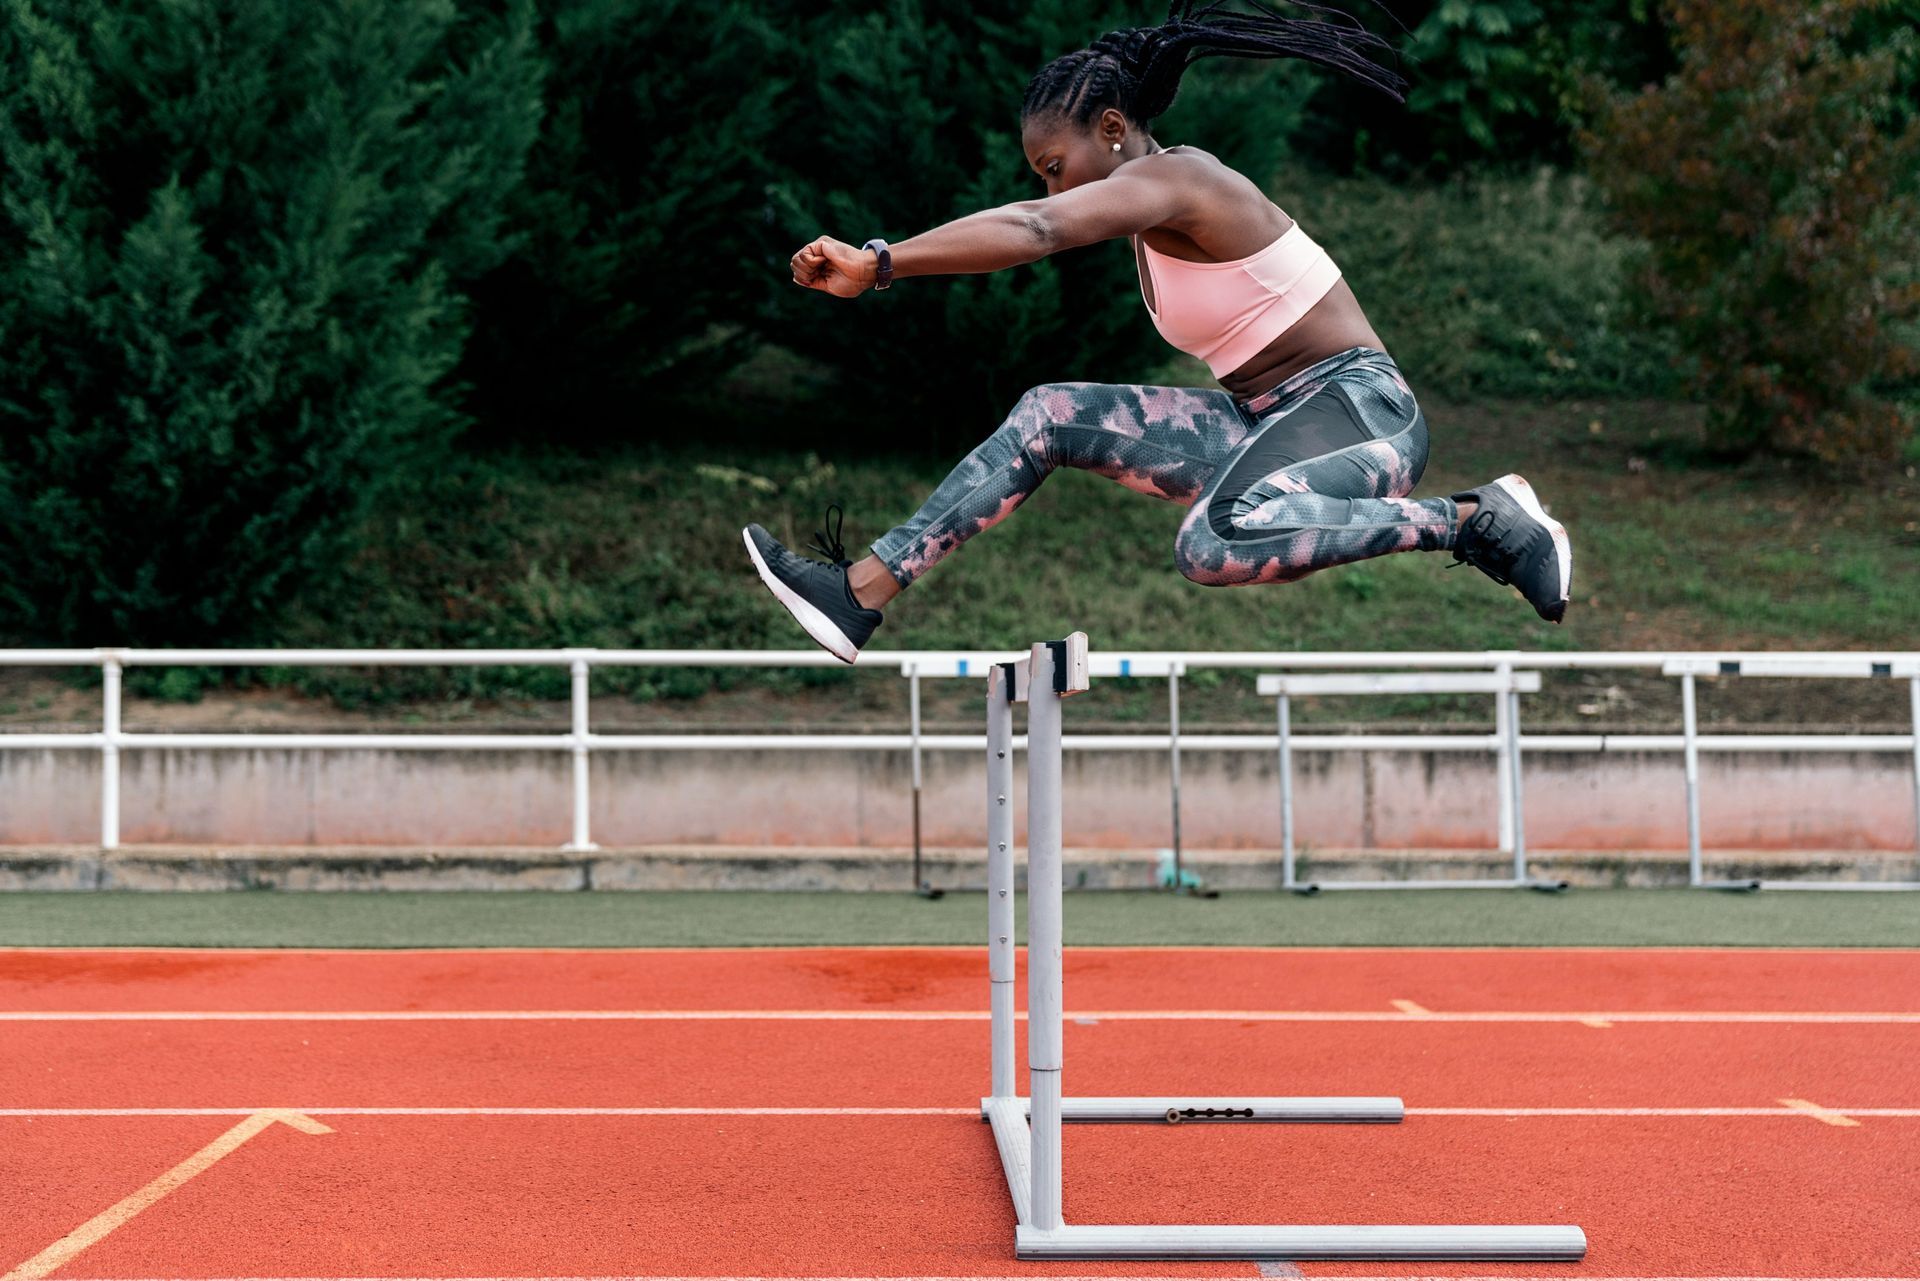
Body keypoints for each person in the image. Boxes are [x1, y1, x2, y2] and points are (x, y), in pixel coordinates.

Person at [744, 0, 1571, 664]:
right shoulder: (1150, 212)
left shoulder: (1181, 179)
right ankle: (857, 593)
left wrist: (881, 262)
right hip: (1269, 420)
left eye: (1054, 166)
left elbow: (1036, 229)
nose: (1055, 187)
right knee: (1046, 416)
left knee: (1213, 538)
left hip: (1361, 411)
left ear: (1112, 128)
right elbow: (1040, 216)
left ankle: (1476, 519)